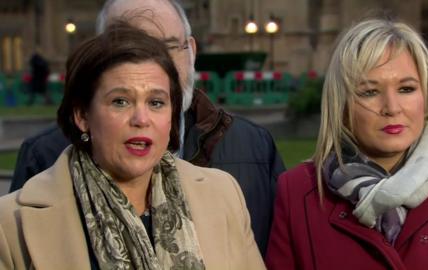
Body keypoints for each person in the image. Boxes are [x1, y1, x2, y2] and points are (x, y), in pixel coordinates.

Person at [10, 0, 285, 256]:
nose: (152, 63)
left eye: (166, 46)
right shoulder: (41, 159)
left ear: (191, 49)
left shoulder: (252, 149)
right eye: (130, 48)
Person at [266, 19, 428, 270]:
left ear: (427, 96)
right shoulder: (298, 190)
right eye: (369, 92)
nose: (391, 108)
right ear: (342, 106)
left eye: (406, 88)